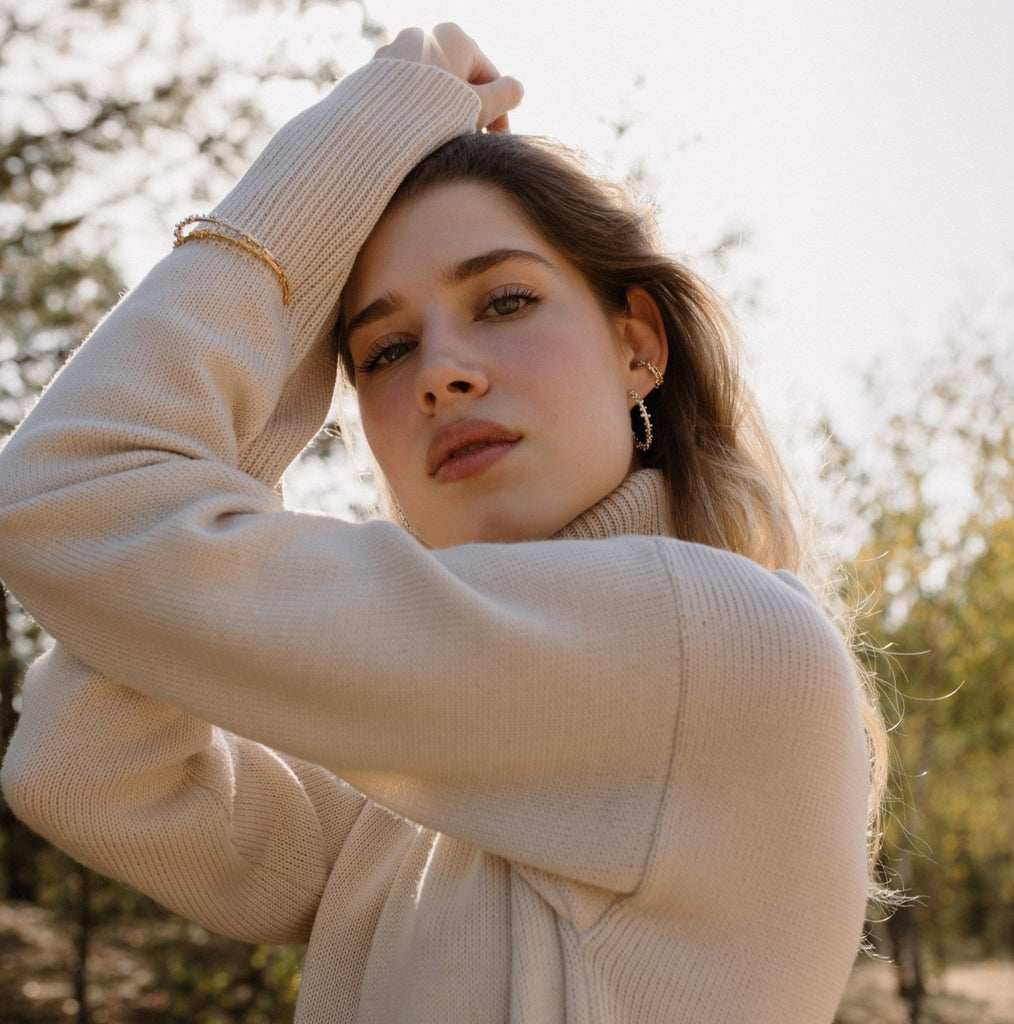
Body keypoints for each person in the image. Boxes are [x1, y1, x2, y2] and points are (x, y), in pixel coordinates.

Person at [0, 23, 882, 1023]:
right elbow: (81, 766)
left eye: (504, 301)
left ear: (636, 345)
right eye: (380, 352)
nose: (441, 373)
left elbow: (72, 491)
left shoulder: (716, 644)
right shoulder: (410, 800)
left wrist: (331, 159)